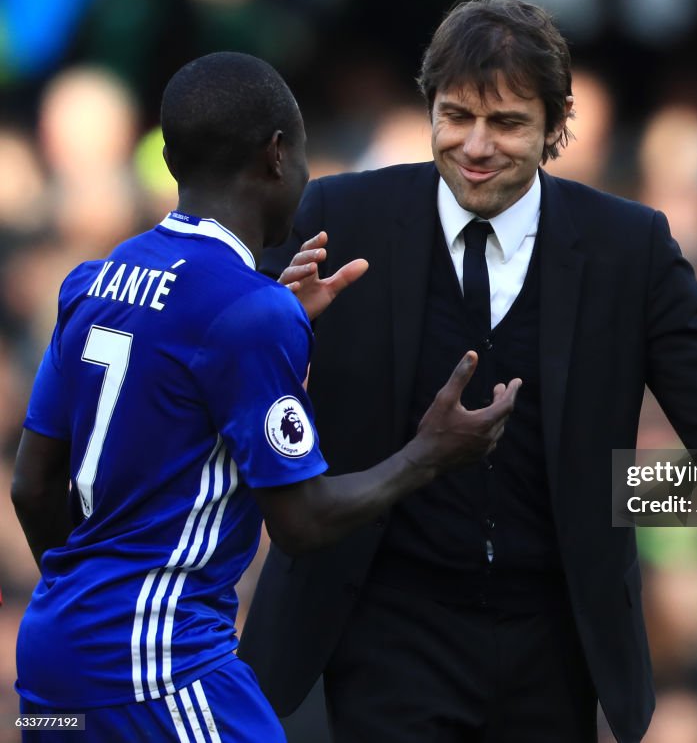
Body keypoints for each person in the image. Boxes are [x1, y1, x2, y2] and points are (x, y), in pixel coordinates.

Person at [239, 0, 697, 743]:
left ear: (556, 123)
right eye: (457, 115)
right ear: (429, 106)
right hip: (384, 622)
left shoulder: (628, 248)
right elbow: (224, 369)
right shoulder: (340, 216)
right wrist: (278, 325)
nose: (475, 145)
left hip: (555, 636)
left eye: (506, 123)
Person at [10, 51, 519, 743]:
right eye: (304, 151)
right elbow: (302, 523)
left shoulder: (94, 280)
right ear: (278, 156)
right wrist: (430, 453)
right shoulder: (247, 314)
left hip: (50, 668)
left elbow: (32, 489)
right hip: (162, 665)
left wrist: (86, 610)